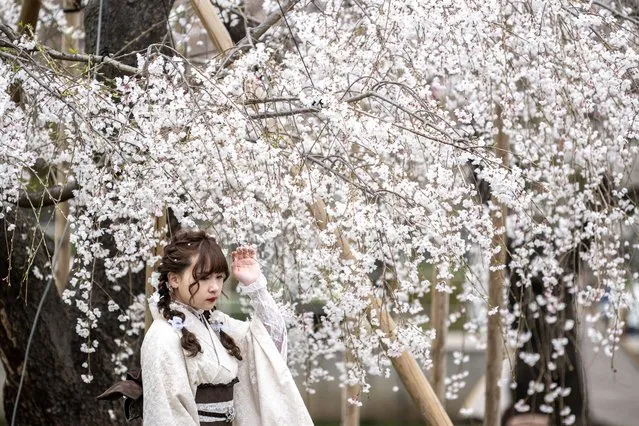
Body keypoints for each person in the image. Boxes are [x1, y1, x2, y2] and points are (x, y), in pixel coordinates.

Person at [141, 229, 313, 425]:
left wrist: (256, 287)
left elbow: (267, 343)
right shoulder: (163, 336)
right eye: (204, 278)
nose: (214, 287)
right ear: (174, 279)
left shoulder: (217, 324)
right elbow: (168, 415)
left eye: (219, 277)